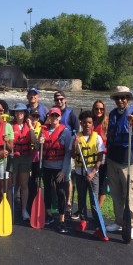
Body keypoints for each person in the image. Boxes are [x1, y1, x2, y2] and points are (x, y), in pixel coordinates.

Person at [105, 86, 133, 240]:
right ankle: (119, 221)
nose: (120, 100)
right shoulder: (112, 114)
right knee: (116, 194)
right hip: (112, 159)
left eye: (123, 97)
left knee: (129, 194)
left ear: (128, 99)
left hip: (128, 161)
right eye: (118, 98)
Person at [72, 110, 108, 241]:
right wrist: (74, 146)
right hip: (80, 173)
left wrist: (93, 172)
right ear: (81, 123)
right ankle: (83, 221)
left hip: (93, 174)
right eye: (84, 122)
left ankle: (98, 227)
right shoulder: (77, 137)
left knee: (94, 202)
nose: (87, 125)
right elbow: (72, 155)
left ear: (92, 124)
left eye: (89, 123)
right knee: (81, 198)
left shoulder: (97, 137)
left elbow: (100, 157)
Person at [39, 107, 72, 234]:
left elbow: (68, 154)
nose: (54, 118)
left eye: (56, 116)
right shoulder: (43, 130)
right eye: (51, 115)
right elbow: (38, 147)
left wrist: (64, 170)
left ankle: (62, 220)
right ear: (49, 117)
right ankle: (48, 215)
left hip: (59, 168)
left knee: (60, 192)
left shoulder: (65, 132)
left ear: (59, 117)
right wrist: (39, 141)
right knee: (47, 190)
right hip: (46, 166)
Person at [53, 90, 80, 219]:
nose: (59, 101)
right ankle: (58, 201)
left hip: (67, 150)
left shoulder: (71, 115)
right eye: (57, 99)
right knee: (57, 178)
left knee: (67, 177)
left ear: (65, 100)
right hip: (55, 151)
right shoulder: (53, 113)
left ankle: (68, 203)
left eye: (61, 99)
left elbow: (77, 131)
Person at [9, 103, 36, 221]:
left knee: (24, 184)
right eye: (16, 112)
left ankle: (24, 209)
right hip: (13, 157)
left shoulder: (28, 126)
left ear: (25, 113)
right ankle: (10, 208)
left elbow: (35, 141)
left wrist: (31, 127)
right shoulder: (10, 125)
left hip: (25, 157)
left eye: (21, 112)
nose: (19, 114)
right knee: (12, 185)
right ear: (14, 113)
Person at [92, 100, 109, 208]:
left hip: (103, 155)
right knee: (93, 183)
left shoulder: (107, 122)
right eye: (97, 108)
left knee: (101, 182)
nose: (99, 111)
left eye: (101, 109)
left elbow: (109, 138)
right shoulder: (91, 121)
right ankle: (92, 207)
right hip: (91, 154)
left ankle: (98, 208)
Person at [26, 107, 43, 213]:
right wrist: (31, 127)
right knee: (27, 182)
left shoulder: (42, 128)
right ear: (30, 116)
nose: (35, 118)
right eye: (33, 116)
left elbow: (36, 142)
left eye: (37, 117)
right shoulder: (25, 127)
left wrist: (32, 128)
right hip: (27, 158)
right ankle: (26, 204)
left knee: (34, 182)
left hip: (37, 159)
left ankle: (32, 204)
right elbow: (32, 140)